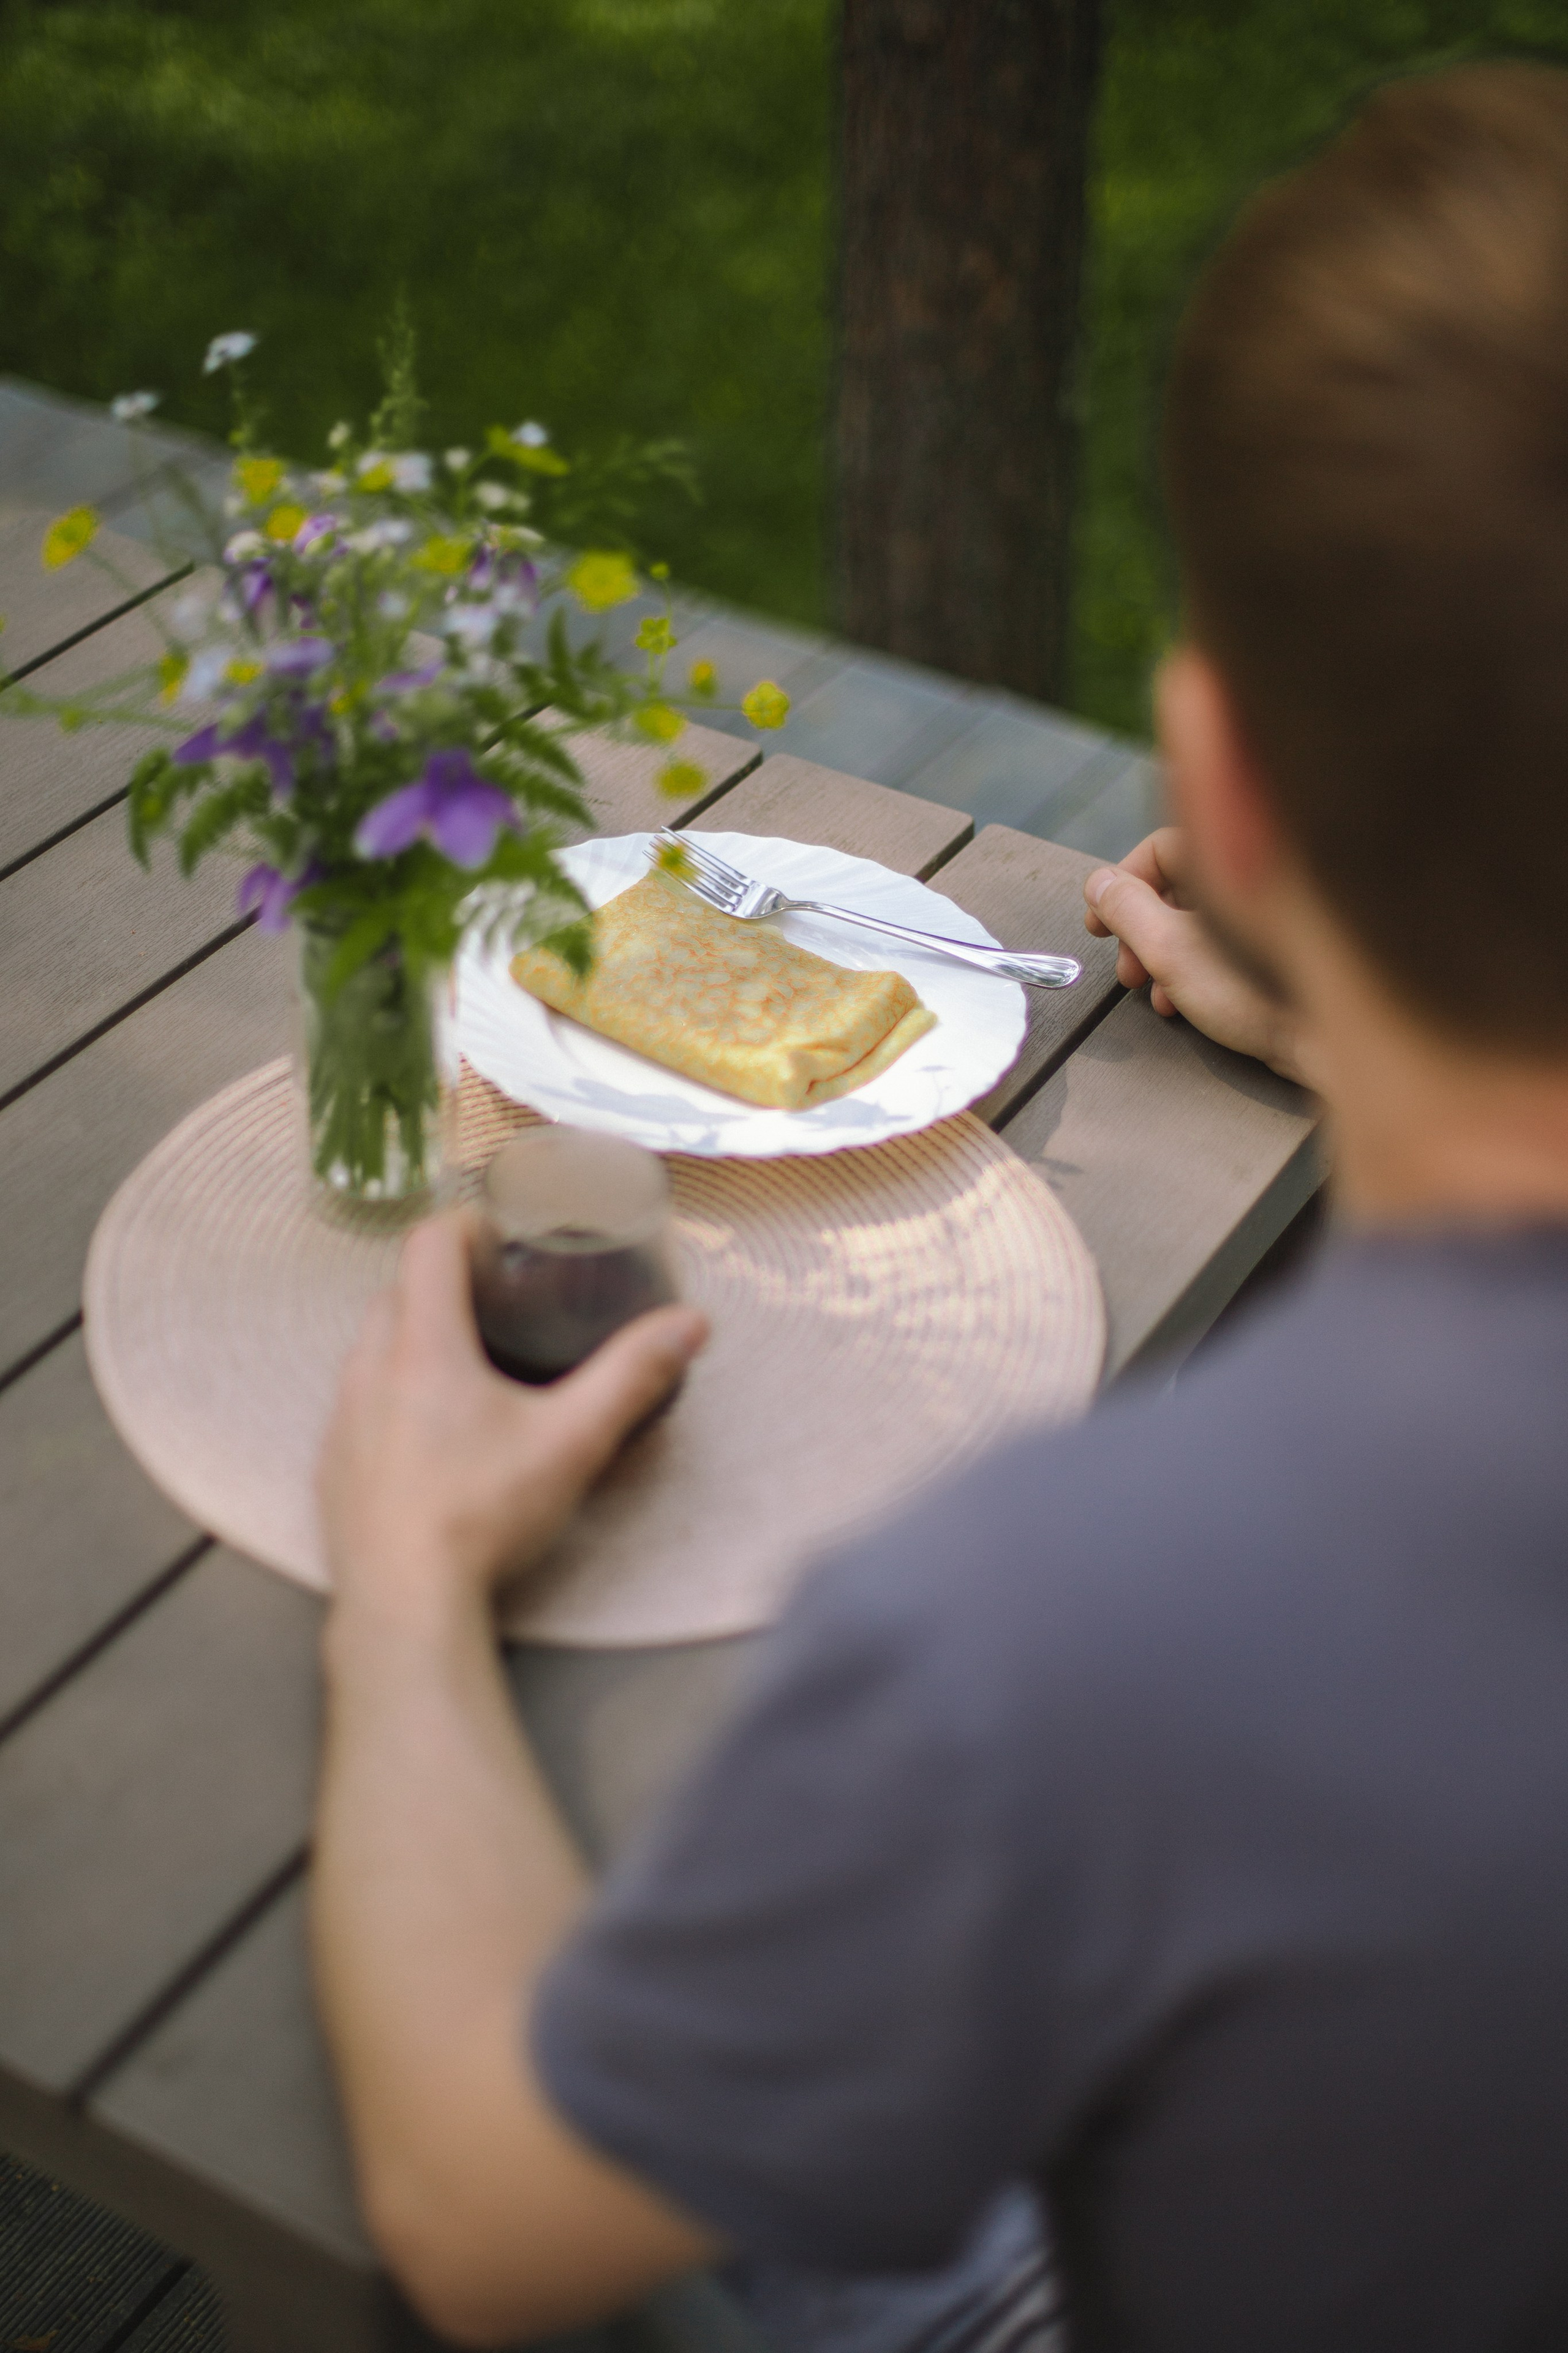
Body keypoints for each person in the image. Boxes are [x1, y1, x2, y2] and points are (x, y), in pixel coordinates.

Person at [311, 61, 1568, 2353]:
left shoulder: (1074, 1627)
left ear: (1226, 787)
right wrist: (1336, 1014)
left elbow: (488, 2218)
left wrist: (402, 1584)